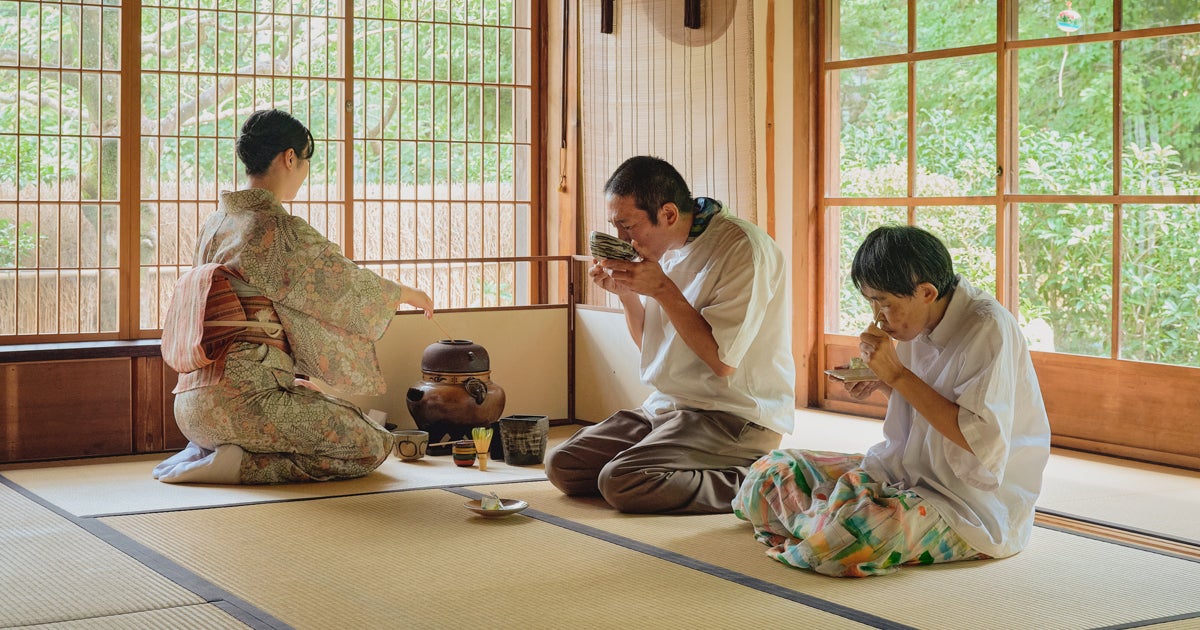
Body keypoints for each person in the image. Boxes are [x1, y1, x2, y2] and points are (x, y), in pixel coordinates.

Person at [732, 225, 1051, 577]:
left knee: (855, 533)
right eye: (871, 301)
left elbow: (978, 441)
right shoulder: (916, 321)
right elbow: (921, 406)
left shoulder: (988, 328)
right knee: (769, 471)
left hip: (969, 503)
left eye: (885, 303)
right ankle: (827, 520)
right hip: (906, 472)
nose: (877, 315)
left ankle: (830, 520)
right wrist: (882, 382)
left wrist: (897, 375)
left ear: (927, 292)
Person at [153, 109, 434, 484]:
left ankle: (211, 451)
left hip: (189, 407)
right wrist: (406, 294)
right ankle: (237, 464)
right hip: (243, 403)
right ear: (290, 158)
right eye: (304, 163)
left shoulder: (216, 224)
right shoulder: (274, 228)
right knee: (372, 442)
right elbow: (343, 284)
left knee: (328, 413)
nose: (303, 174)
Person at [545, 156, 795, 514]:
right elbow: (653, 347)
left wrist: (662, 289)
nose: (622, 239)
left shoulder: (743, 250)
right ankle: (665, 457)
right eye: (615, 226)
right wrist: (628, 294)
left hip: (732, 415)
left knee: (621, 481)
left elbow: (722, 363)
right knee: (563, 466)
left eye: (628, 226)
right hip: (668, 407)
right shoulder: (664, 247)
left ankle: (758, 480)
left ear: (668, 215)